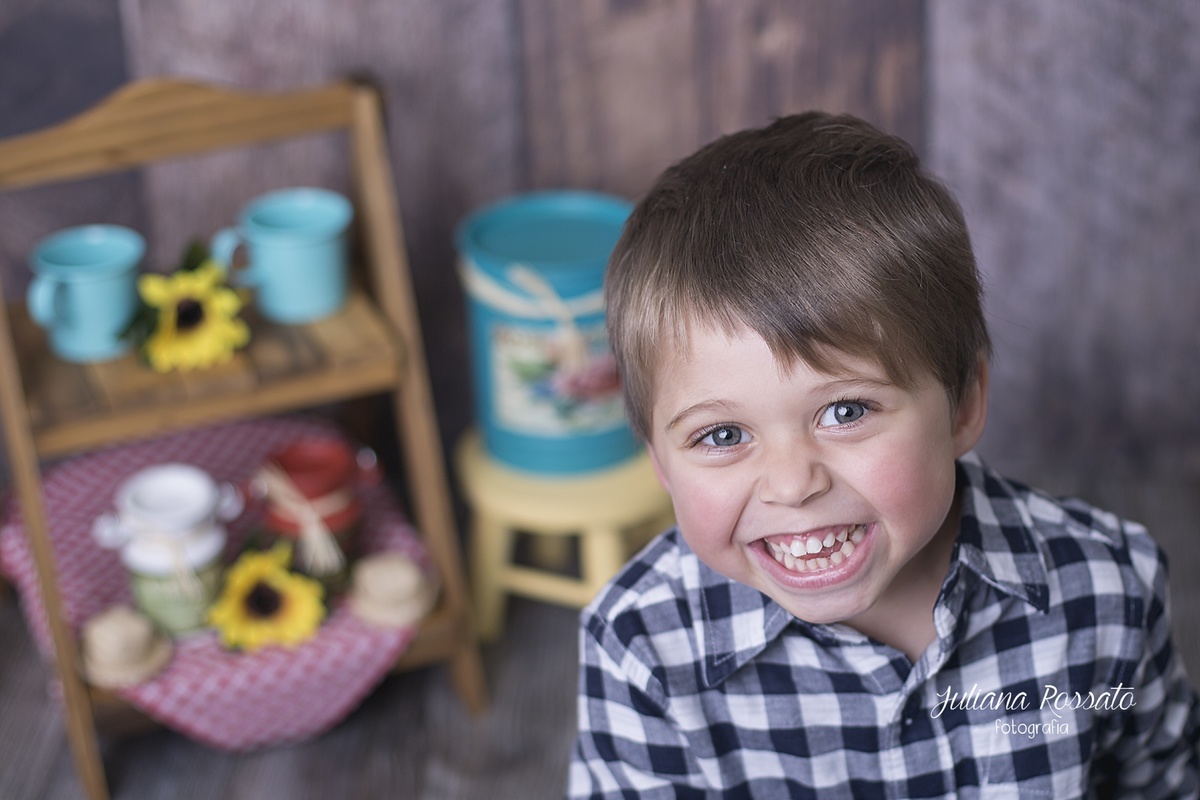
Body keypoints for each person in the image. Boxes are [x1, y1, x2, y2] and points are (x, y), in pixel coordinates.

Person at [567, 111, 1200, 798]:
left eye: (846, 411)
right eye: (722, 436)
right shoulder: (642, 648)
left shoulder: (1106, 594)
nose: (791, 483)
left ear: (962, 405)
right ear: (660, 460)